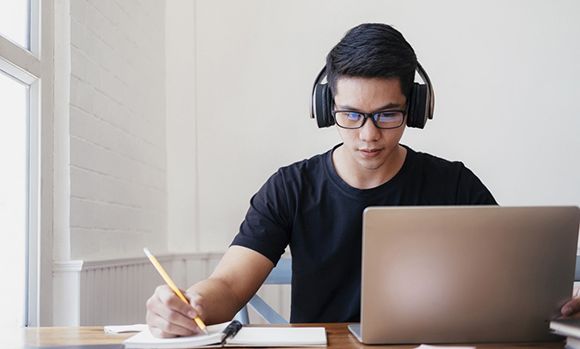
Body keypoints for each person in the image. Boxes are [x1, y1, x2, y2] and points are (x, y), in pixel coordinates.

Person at [145, 23, 579, 338]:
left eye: (387, 114)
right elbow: (228, 284)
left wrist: (562, 308)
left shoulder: (455, 184)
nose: (368, 135)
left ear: (415, 109)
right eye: (350, 115)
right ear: (324, 107)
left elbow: (515, 282)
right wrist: (191, 304)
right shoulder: (290, 188)